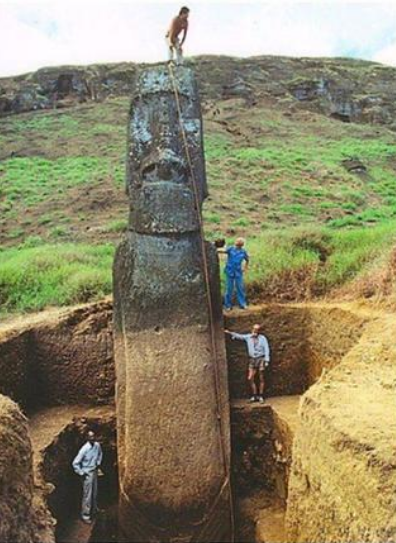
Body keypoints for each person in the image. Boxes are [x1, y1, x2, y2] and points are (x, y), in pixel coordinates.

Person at [225, 324, 270, 403]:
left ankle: (261, 396)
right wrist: (230, 333)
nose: (255, 331)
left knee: (261, 377)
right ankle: (254, 395)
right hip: (252, 360)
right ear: (252, 329)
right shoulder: (248, 337)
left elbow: (266, 349)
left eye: (257, 329)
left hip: (261, 359)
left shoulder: (263, 338)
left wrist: (266, 360)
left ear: (259, 331)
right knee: (250, 378)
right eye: (254, 329)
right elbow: (240, 336)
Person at [72, 430, 103, 524]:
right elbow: (75, 463)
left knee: (94, 492)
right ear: (87, 438)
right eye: (90, 437)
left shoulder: (97, 445)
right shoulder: (84, 449)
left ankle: (94, 510)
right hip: (87, 473)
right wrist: (81, 472)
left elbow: (100, 454)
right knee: (87, 495)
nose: (92, 438)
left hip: (94, 471)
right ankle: (85, 515)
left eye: (93, 436)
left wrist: (98, 463)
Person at [218, 237, 249, 310]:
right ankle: (227, 305)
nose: (238, 243)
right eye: (238, 242)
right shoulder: (231, 249)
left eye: (240, 242)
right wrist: (215, 249)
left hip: (238, 272)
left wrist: (245, 268)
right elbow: (223, 251)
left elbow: (247, 259)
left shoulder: (243, 252)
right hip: (230, 271)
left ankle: (242, 304)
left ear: (242, 245)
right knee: (229, 289)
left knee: (240, 288)